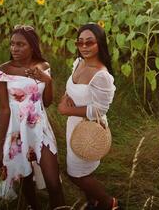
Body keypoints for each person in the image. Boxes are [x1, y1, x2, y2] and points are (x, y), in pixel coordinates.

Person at [0, 24, 65, 209]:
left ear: (32, 46)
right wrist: (1, 145)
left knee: (54, 184)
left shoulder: (43, 66)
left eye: (20, 44)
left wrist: (46, 80)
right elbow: (4, 110)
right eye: (12, 44)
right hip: (16, 130)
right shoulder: (3, 72)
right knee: (25, 178)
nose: (14, 49)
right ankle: (34, 206)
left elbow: (47, 102)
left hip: (40, 128)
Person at [58, 23, 121, 210]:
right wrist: (65, 97)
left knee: (77, 174)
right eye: (80, 43)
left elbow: (100, 110)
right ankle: (92, 202)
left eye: (89, 43)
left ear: (99, 44)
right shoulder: (79, 63)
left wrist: (66, 110)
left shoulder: (101, 76)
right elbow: (71, 86)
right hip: (74, 126)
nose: (84, 47)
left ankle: (109, 203)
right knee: (81, 167)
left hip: (89, 130)